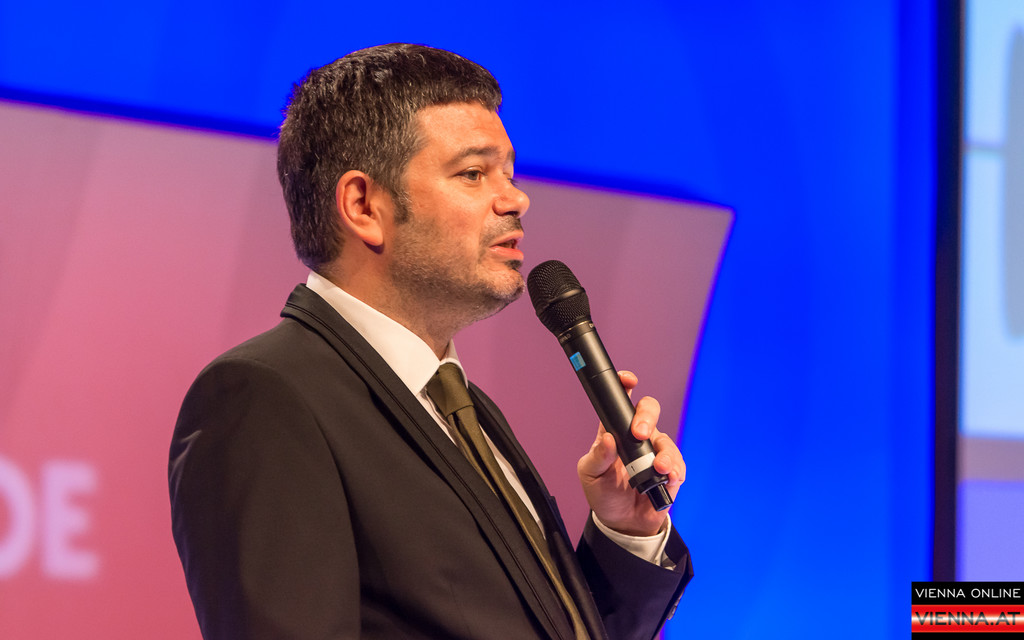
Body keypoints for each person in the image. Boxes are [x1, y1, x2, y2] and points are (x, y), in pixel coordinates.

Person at [168, 43, 693, 640]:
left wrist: (626, 529)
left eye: (510, 173)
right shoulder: (266, 397)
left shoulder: (459, 404)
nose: (516, 199)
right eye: (473, 173)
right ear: (364, 206)